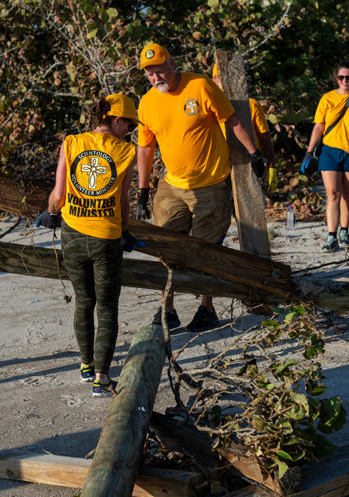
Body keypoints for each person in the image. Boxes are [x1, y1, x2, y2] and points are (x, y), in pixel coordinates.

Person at [135, 43, 264, 332]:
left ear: (171, 63)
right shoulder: (147, 102)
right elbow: (144, 148)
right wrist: (142, 189)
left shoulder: (200, 86)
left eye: (159, 70)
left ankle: (207, 307)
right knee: (164, 245)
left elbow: (231, 120)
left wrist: (254, 154)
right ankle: (167, 309)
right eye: (149, 73)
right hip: (173, 184)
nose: (156, 77)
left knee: (206, 250)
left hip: (210, 183)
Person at [36, 94, 141, 398]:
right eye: (129, 124)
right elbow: (123, 201)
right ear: (116, 120)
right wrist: (125, 233)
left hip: (73, 233)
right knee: (107, 307)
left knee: (84, 301)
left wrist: (51, 215)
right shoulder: (125, 151)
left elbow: (58, 195)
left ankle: (85, 365)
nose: (131, 130)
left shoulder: (71, 143)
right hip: (105, 237)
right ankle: (102, 378)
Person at [301, 60, 349, 253]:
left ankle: (344, 230)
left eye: (348, 77)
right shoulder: (327, 99)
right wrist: (309, 151)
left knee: (347, 194)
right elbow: (318, 126)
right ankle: (331, 236)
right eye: (341, 77)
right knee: (332, 194)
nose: (345, 80)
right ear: (336, 78)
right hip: (330, 151)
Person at [211, 64, 277, 194]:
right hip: (218, 169)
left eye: (229, 77)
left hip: (248, 165)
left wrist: (271, 168)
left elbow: (264, 139)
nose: (225, 82)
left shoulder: (251, 105)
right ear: (213, 80)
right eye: (220, 77)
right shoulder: (209, 106)